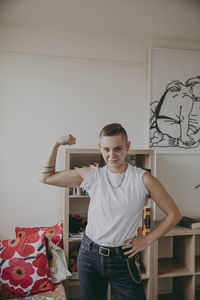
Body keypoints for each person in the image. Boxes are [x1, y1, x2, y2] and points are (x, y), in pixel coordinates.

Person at [40, 123, 181, 300]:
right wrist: (56, 144)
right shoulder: (92, 175)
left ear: (127, 146)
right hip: (89, 255)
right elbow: (46, 177)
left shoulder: (143, 179)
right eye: (106, 149)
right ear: (100, 147)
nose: (111, 155)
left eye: (118, 149)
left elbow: (174, 214)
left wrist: (146, 240)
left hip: (122, 259)